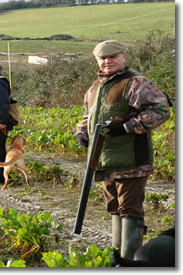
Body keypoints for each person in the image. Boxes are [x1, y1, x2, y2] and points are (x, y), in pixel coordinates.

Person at [76, 40, 170, 260]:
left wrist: (127, 127)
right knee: (114, 207)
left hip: (132, 161)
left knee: (129, 209)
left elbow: (160, 110)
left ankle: (129, 262)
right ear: (97, 60)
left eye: (113, 57)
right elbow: (89, 115)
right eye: (103, 58)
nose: (107, 62)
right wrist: (81, 131)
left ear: (123, 57)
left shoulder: (136, 82)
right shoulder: (96, 86)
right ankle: (118, 257)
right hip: (104, 159)